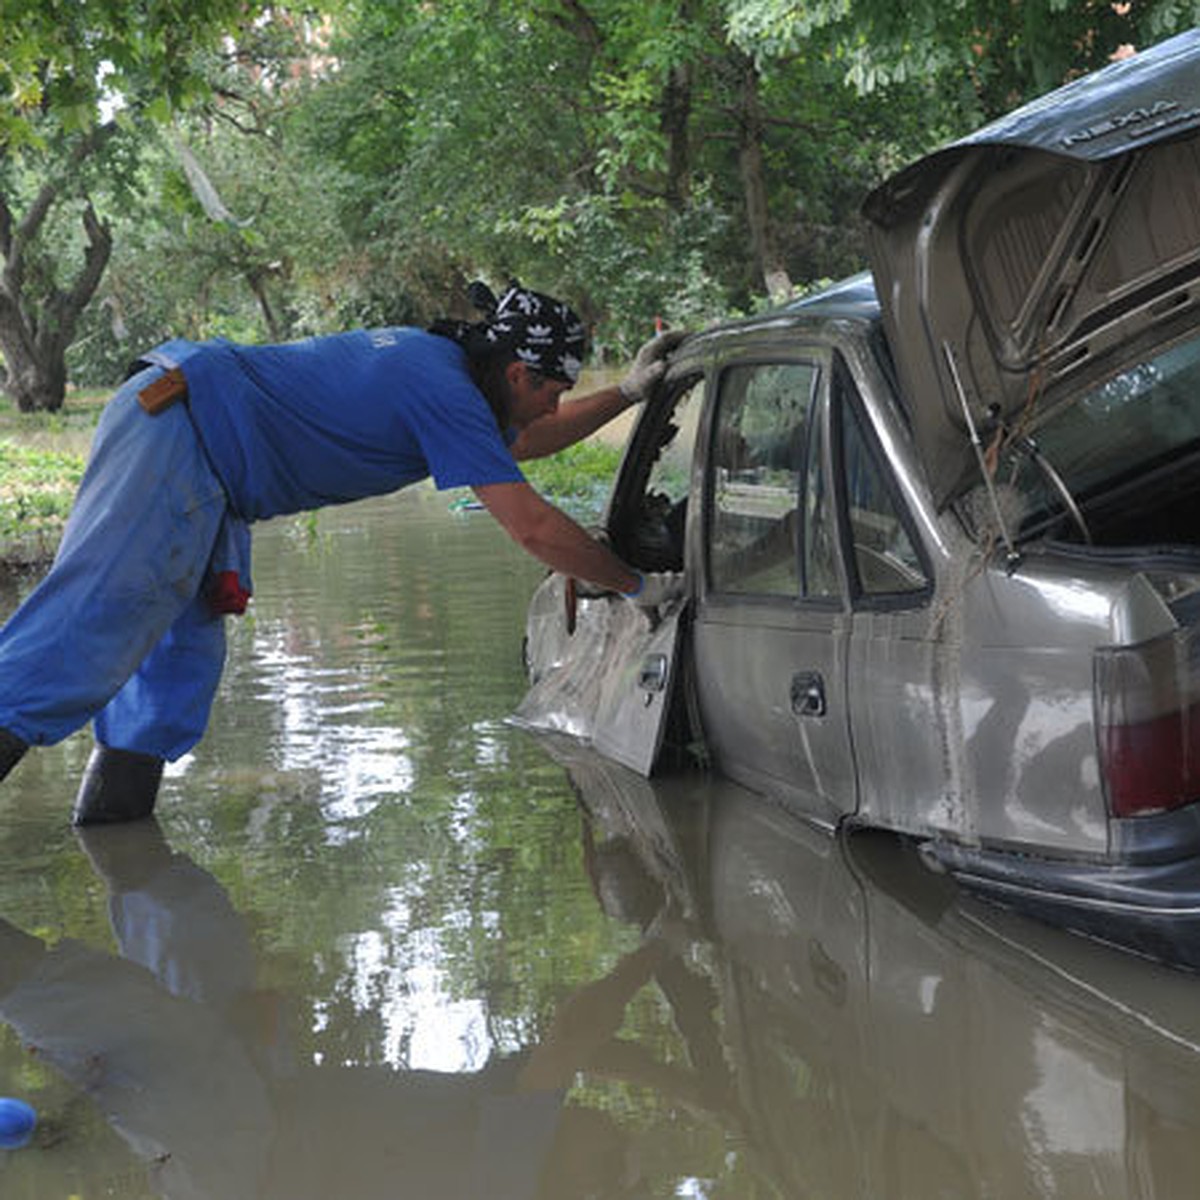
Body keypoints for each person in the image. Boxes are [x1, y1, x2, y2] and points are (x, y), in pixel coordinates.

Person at [0, 281, 685, 824]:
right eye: (554, 391)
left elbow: (527, 439)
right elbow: (531, 528)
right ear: (517, 372)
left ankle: (119, 851)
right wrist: (633, 588)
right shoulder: (439, 384)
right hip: (177, 426)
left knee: (174, 673)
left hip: (206, 453)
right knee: (89, 625)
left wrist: (625, 394)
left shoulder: (452, 383)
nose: (552, 406)